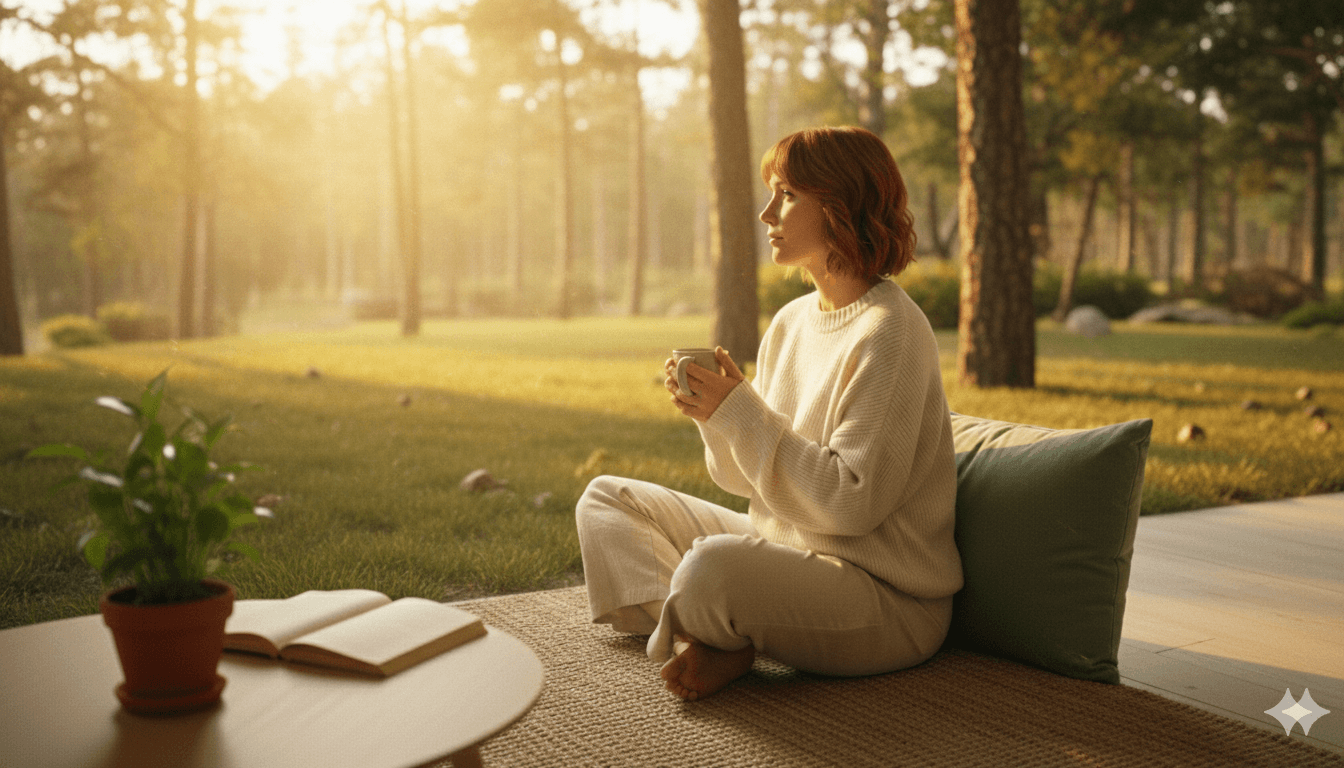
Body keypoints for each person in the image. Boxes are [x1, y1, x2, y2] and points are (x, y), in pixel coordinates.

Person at [575, 126, 963, 701]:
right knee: (607, 500)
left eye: (785, 194)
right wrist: (716, 415)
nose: (766, 213)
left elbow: (850, 504)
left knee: (713, 569)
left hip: (885, 600)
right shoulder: (791, 321)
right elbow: (739, 481)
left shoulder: (892, 331)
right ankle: (713, 633)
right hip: (789, 551)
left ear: (839, 204)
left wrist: (742, 413)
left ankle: (714, 625)